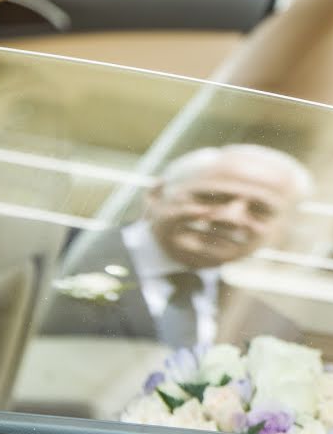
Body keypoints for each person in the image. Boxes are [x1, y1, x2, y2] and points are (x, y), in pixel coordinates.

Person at [40, 144, 314, 348]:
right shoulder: (53, 260)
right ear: (157, 195)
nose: (230, 218)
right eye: (212, 197)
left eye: (260, 210)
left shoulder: (272, 329)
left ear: (282, 229)